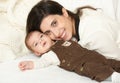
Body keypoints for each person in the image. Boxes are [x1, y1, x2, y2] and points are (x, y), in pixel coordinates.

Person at [26, 0, 120, 60]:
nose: (56, 33)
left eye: (54, 23)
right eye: (48, 33)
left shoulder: (93, 33)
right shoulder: (77, 20)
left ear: (64, 13)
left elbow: (116, 61)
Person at [19, 31, 120, 82]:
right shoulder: (49, 55)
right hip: (83, 65)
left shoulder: (62, 40)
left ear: (47, 35)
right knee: (93, 69)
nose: (40, 41)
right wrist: (30, 64)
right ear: (37, 53)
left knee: (111, 62)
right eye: (36, 44)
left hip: (93, 55)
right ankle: (113, 77)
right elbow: (41, 63)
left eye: (41, 36)